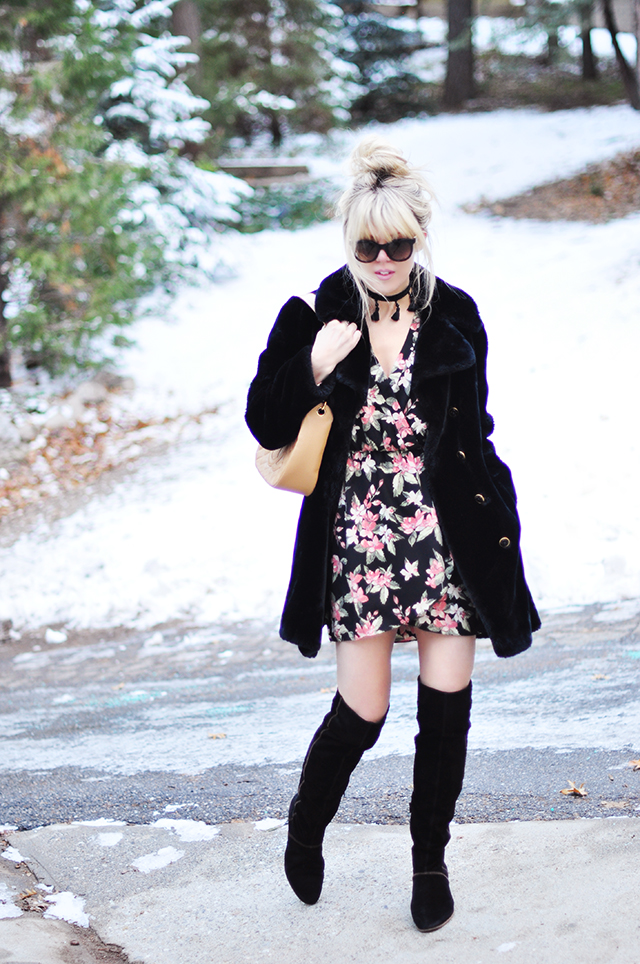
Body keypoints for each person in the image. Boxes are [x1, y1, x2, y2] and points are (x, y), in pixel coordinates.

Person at [245, 137, 540, 932]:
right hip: (359, 539)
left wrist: (496, 524)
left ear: (418, 240)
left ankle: (429, 860)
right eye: (368, 245)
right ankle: (306, 828)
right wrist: (310, 364)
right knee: (363, 711)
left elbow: (474, 431)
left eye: (397, 244)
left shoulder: (457, 317)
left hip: (447, 537)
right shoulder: (315, 316)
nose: (382, 258)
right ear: (350, 241)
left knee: (446, 711)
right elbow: (263, 423)